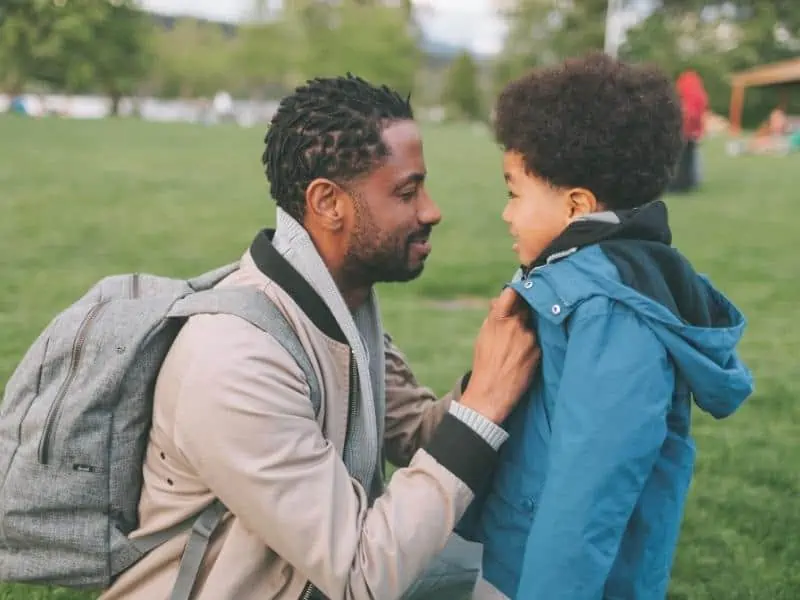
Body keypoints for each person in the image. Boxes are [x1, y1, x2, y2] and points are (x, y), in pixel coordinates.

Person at [101, 74, 539, 600]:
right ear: (328, 202)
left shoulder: (339, 309)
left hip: (318, 577)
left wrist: (494, 378)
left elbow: (422, 436)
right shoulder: (235, 359)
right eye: (407, 191)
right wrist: (483, 406)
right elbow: (361, 574)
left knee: (517, 566)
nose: (431, 210)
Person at [460, 53, 754, 599]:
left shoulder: (612, 313)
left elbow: (587, 499)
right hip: (511, 556)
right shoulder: (570, 280)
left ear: (576, 206)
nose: (506, 214)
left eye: (514, 193)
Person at [670, 70, 708, 193]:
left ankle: (683, 183)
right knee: (691, 157)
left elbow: (688, 114)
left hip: (685, 132)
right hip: (692, 132)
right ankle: (692, 181)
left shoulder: (686, 94)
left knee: (683, 160)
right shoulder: (700, 94)